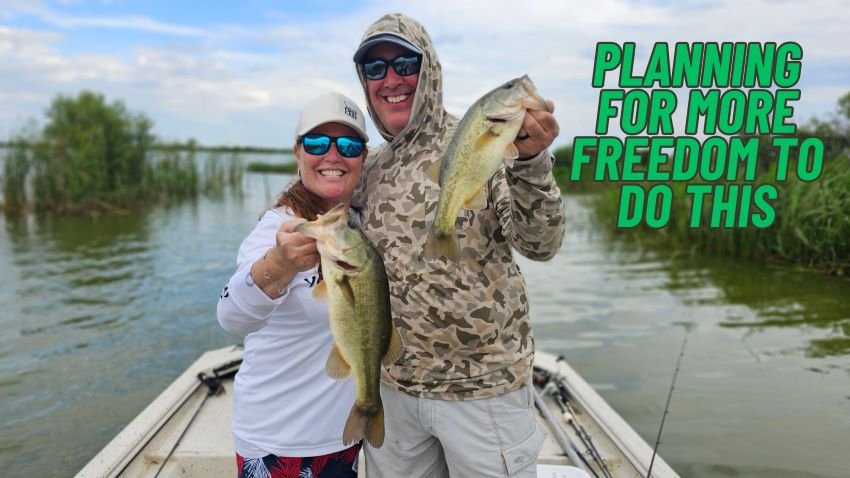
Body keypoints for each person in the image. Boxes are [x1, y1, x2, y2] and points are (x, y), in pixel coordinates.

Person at [350, 13, 567, 478]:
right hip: (395, 393)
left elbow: (541, 244)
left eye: (404, 63)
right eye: (375, 69)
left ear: (428, 71)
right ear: (364, 82)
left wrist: (530, 161)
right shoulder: (366, 170)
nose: (391, 79)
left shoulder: (480, 141)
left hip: (483, 391)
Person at [217, 91, 370, 478]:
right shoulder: (275, 230)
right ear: (298, 152)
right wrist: (277, 265)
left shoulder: (358, 226)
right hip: (276, 442)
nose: (333, 155)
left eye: (349, 145)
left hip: (343, 437)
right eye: (318, 143)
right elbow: (231, 318)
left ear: (363, 159)